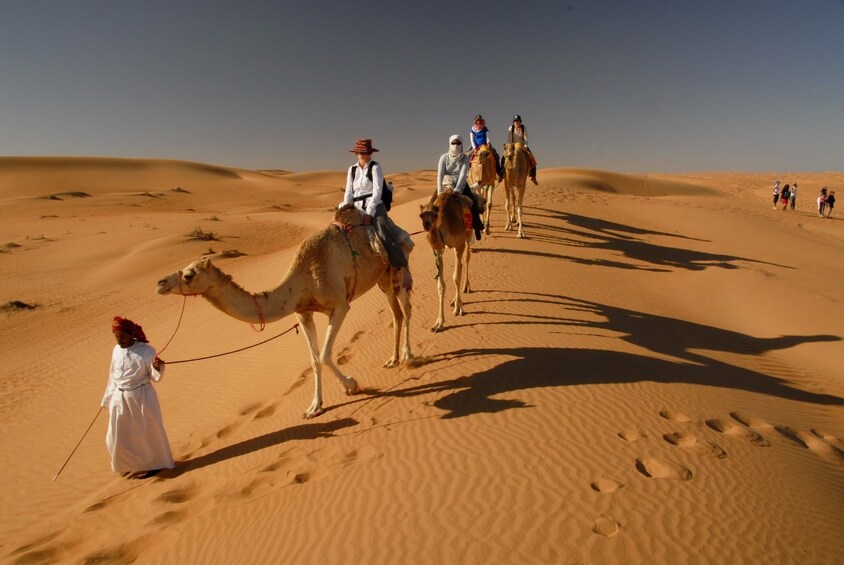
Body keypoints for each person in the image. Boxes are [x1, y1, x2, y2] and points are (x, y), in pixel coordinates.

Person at [102, 316, 174, 478]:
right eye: (117, 337)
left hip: (141, 397)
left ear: (131, 335)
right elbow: (113, 375)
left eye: (123, 336)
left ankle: (156, 463)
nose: (119, 340)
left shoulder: (147, 351)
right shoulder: (116, 350)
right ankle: (127, 464)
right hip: (119, 398)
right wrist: (108, 398)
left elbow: (155, 377)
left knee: (147, 432)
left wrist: (157, 367)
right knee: (115, 434)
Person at [340, 138, 413, 287]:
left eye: (366, 152)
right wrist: (345, 210)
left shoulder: (375, 167)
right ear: (356, 153)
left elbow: (377, 191)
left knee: (383, 232)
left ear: (370, 153)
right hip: (356, 206)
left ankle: (402, 267)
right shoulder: (352, 170)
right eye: (361, 152)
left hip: (374, 205)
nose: (364, 155)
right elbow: (348, 192)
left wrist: (369, 213)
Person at [436, 134, 484, 240]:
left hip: (461, 184)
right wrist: (439, 190)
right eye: (453, 143)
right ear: (450, 144)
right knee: (432, 204)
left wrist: (457, 190)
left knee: (473, 203)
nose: (455, 145)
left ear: (462, 145)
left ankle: (477, 226)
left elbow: (463, 174)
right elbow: (440, 174)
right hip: (446, 183)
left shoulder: (465, 158)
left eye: (458, 143)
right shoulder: (444, 157)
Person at [505, 115, 539, 185]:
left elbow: (526, 138)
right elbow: (509, 140)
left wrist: (525, 146)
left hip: (522, 145)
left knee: (532, 158)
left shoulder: (523, 128)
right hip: (513, 145)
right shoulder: (511, 128)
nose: (517, 123)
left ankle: (533, 176)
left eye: (518, 121)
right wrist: (511, 147)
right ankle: (502, 174)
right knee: (504, 158)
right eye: (515, 121)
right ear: (513, 122)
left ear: (520, 122)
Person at [468, 115, 503, 181]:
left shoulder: (484, 128)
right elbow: (472, 139)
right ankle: (468, 173)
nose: (479, 122)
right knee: (468, 156)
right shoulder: (472, 130)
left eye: (480, 121)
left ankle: (499, 173)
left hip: (485, 145)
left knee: (495, 154)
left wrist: (488, 143)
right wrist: (474, 147)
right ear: (475, 122)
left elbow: (487, 137)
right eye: (477, 121)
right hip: (476, 146)